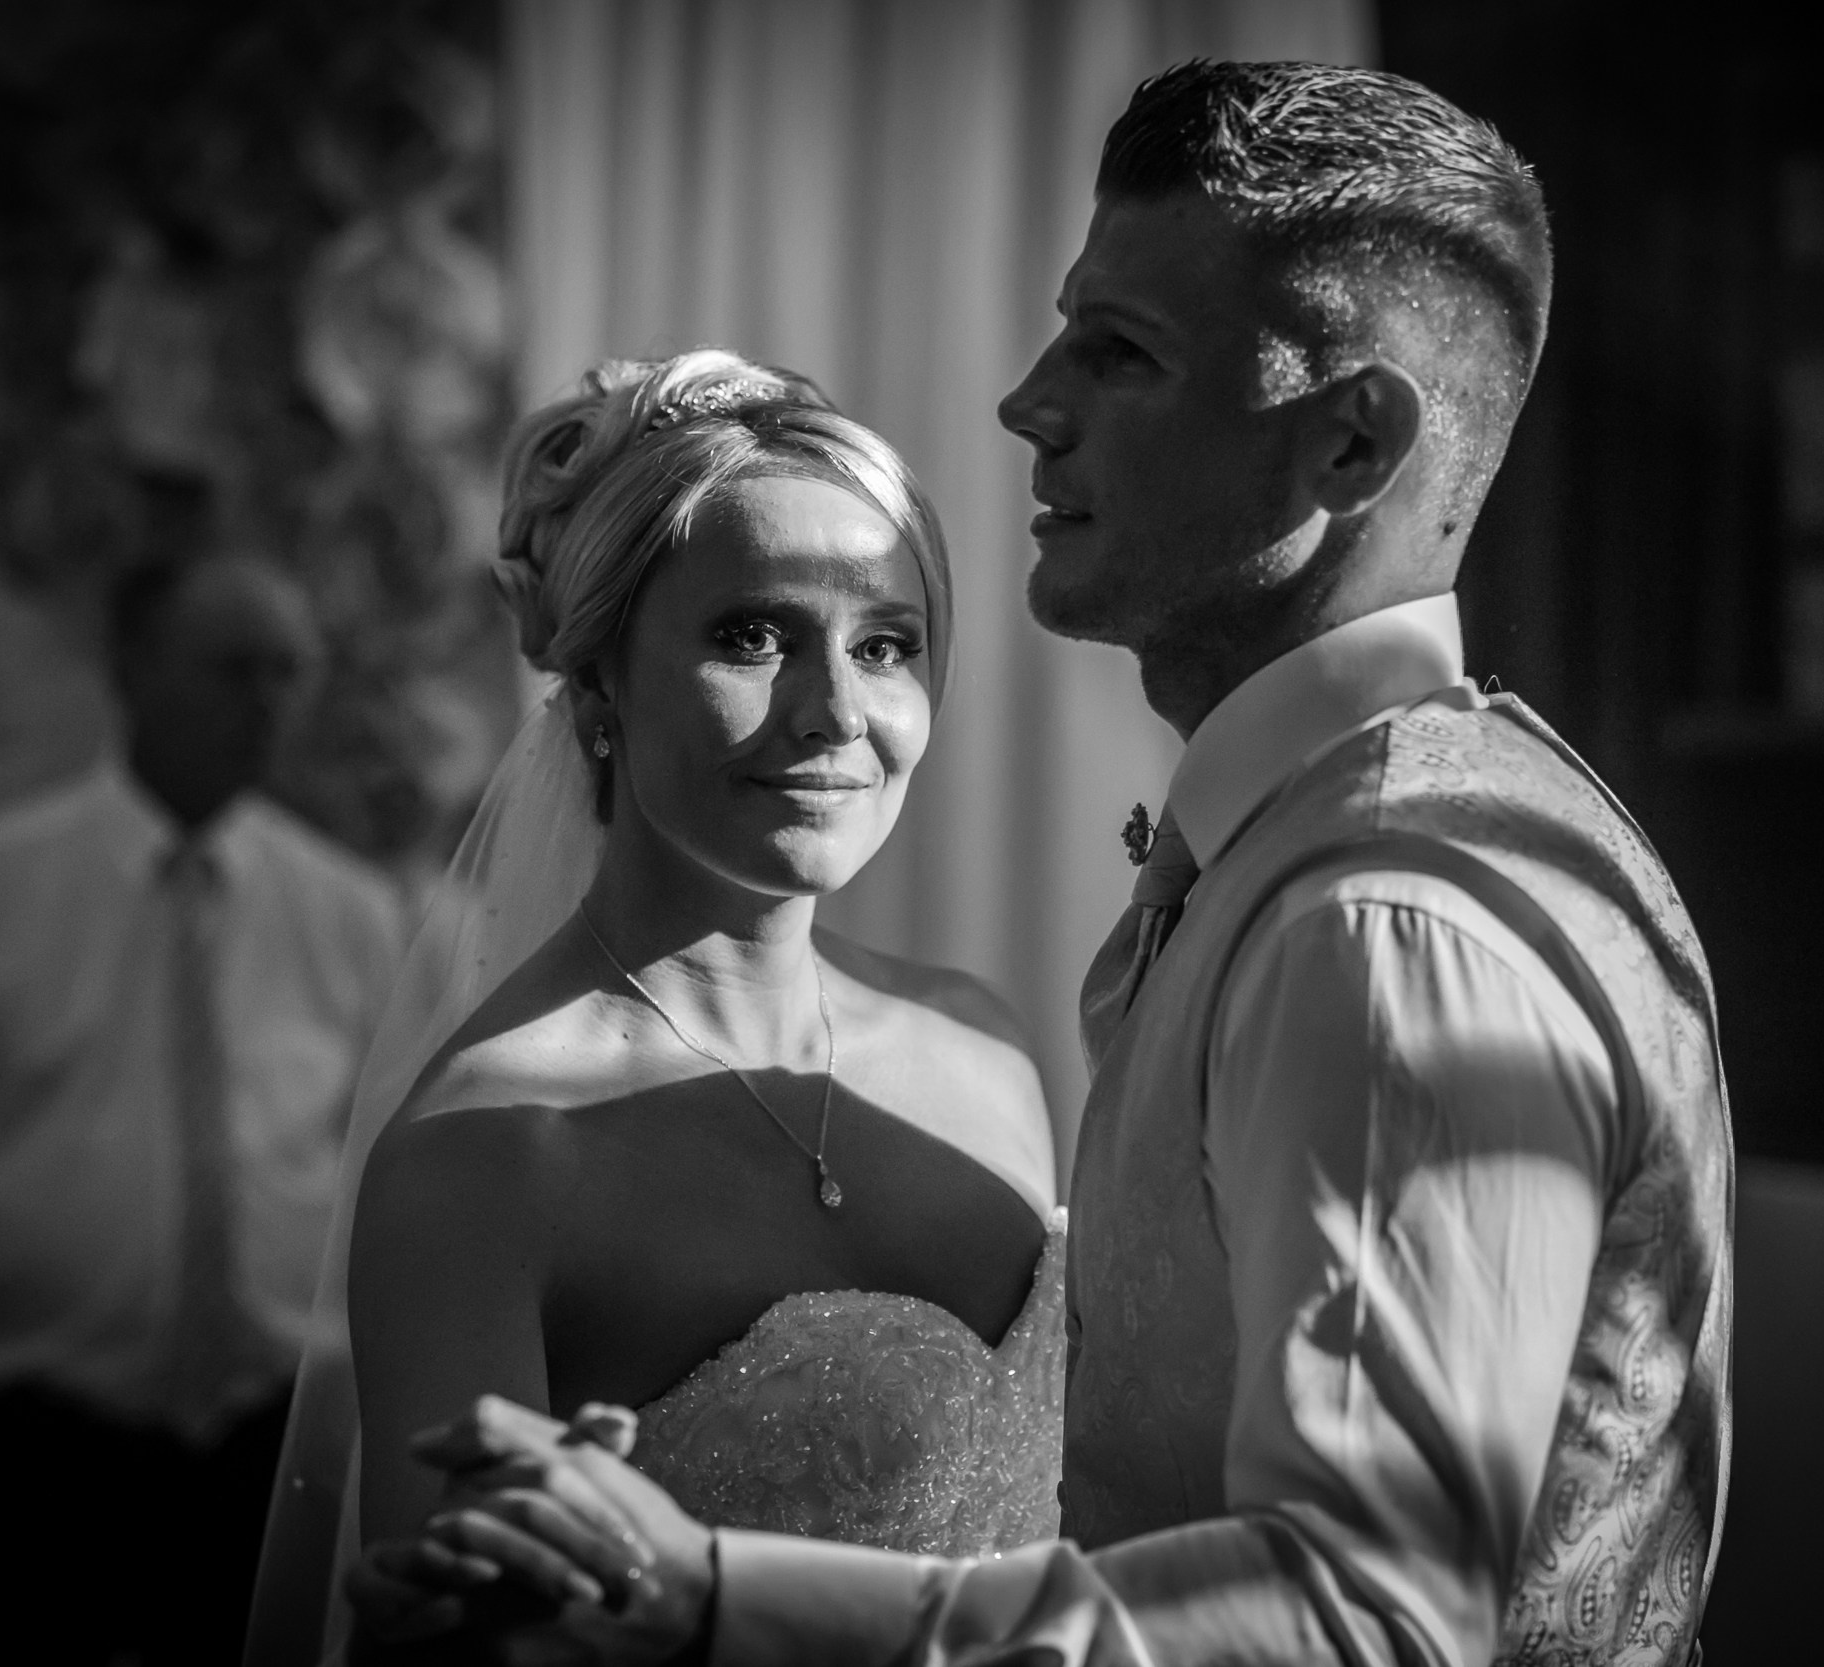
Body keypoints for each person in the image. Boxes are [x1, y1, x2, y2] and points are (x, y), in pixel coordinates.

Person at [363, 59, 1735, 1667]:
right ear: (594, 679)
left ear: (1352, 445)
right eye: (749, 634)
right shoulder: (1328, 851)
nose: (1026, 400)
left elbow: (1369, 1609)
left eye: (1120, 351)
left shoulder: (1382, 917)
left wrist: (722, 1599)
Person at [241, 350, 1064, 1666]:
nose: (837, 711)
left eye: (886, 643)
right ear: (599, 684)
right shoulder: (492, 1150)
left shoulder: (988, 1046)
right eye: (752, 635)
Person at [0, 555, 406, 1666]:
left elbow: (385, 1191)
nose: (268, 703)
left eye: (291, 672)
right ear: (131, 669)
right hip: (34, 1453)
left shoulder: (352, 912)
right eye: (234, 668)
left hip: (270, 1456)